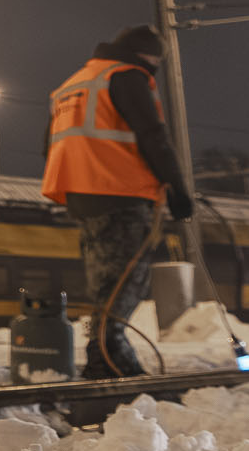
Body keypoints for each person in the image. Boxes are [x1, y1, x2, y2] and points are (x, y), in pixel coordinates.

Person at [40, 25, 193, 378]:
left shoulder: (71, 84)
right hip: (120, 191)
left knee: (105, 281)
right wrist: (177, 187)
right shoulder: (127, 76)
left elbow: (47, 147)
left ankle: (105, 355)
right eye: (156, 61)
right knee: (126, 280)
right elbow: (153, 135)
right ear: (148, 55)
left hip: (81, 194)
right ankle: (107, 356)